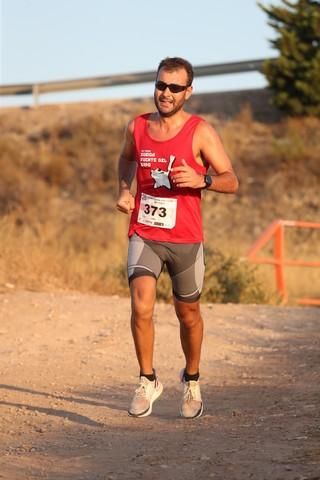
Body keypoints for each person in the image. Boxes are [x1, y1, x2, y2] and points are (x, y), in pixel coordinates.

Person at [116, 57, 238, 419]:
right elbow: (125, 159)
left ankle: (192, 380)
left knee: (188, 314)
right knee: (141, 305)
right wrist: (124, 188)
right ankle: (147, 379)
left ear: (188, 91)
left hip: (185, 238)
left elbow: (232, 179)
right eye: (160, 85)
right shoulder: (136, 127)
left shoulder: (200, 131)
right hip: (145, 232)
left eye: (173, 88)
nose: (164, 93)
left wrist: (204, 180)